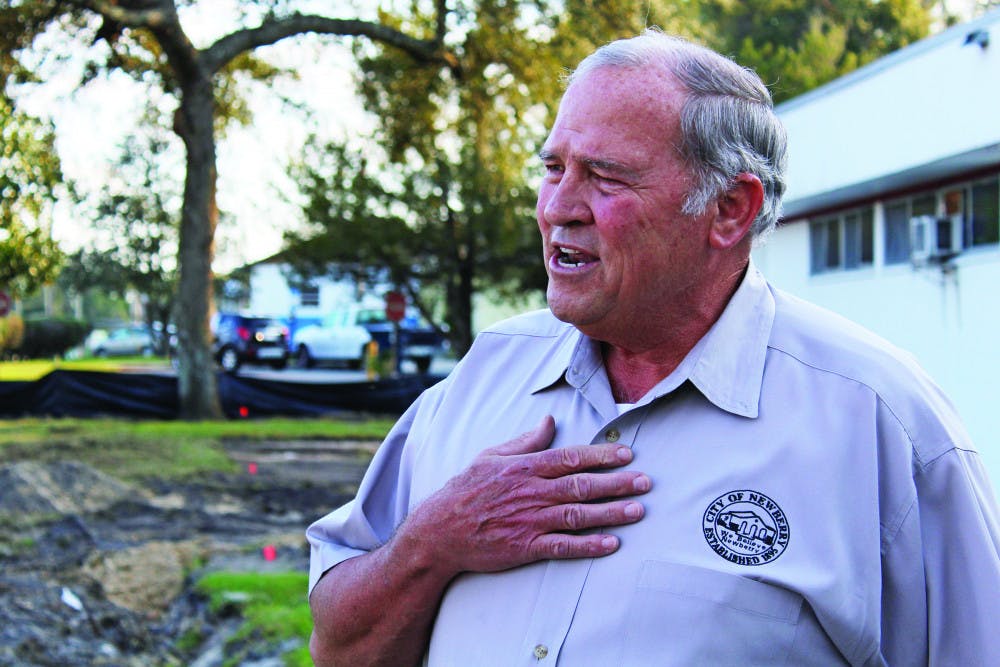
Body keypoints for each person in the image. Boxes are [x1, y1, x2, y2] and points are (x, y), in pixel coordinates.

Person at [307, 30, 1000, 666]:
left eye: (604, 176)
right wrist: (433, 542)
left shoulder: (881, 422)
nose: (558, 206)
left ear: (730, 209)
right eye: (554, 168)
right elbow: (337, 646)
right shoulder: (481, 376)